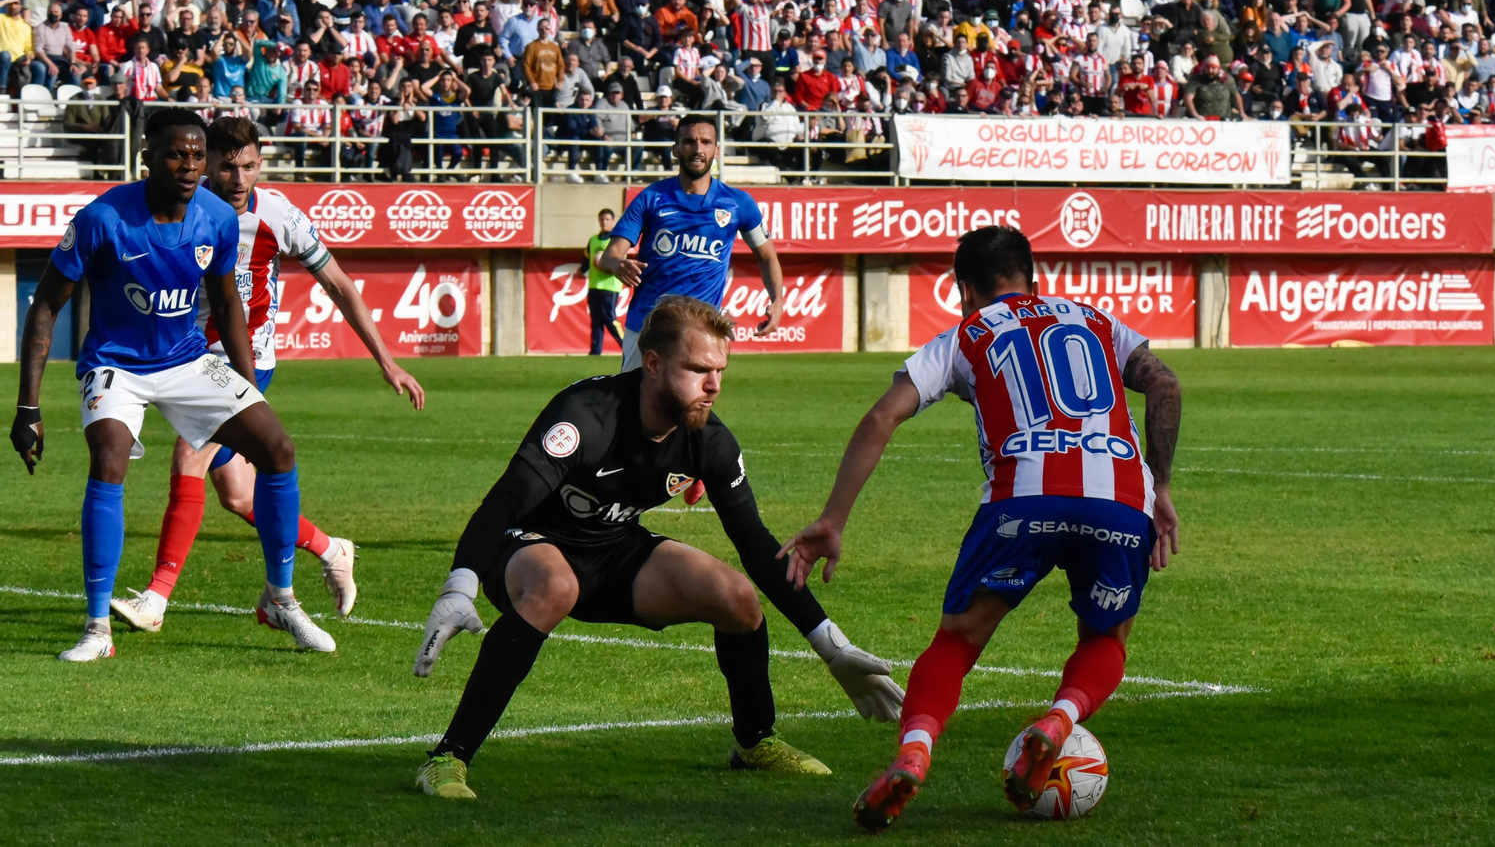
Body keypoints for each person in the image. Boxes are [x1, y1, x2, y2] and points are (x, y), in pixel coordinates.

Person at [410, 296, 905, 798]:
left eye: (720, 370)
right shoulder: (585, 415)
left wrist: (831, 646)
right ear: (653, 364)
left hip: (611, 548)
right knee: (556, 584)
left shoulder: (709, 440)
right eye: (697, 369)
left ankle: (755, 741)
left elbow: (756, 545)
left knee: (736, 597)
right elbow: (504, 503)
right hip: (526, 544)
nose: (713, 385)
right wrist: (460, 586)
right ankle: (448, 757)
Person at [780, 226, 1184, 831]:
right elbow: (1165, 384)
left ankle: (915, 750)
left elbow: (881, 418)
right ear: (1033, 279)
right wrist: (1160, 486)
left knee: (957, 642)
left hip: (1022, 502)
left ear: (963, 289)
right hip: (1119, 499)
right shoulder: (1096, 320)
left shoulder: (964, 335)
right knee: (1105, 638)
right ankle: (1059, 721)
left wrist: (832, 520)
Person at [10, 109, 334, 661]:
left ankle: (282, 598)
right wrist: (27, 406)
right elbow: (44, 306)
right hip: (116, 364)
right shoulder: (102, 218)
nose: (188, 166)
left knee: (278, 449)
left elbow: (229, 303)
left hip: (187, 360)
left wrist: (248, 388)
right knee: (109, 457)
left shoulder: (215, 217)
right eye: (175, 154)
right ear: (148, 158)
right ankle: (96, 630)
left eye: (196, 155)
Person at [107, 116, 426, 635]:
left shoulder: (279, 214)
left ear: (262, 164)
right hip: (184, 358)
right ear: (206, 163)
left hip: (243, 360)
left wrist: (387, 361)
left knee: (189, 456)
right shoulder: (181, 208)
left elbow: (340, 285)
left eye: (250, 167)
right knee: (237, 494)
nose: (239, 179)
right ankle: (331, 548)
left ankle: (156, 598)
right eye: (228, 167)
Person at [596, 114, 785, 505]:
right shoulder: (651, 199)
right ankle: (666, 471)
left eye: (704, 141)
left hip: (701, 330)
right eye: (688, 141)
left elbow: (766, 255)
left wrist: (777, 299)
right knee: (633, 407)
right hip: (648, 326)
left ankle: (693, 466)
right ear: (675, 149)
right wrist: (619, 264)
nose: (696, 148)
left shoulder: (737, 204)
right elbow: (608, 255)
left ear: (716, 149)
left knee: (696, 401)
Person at [583, 208, 626, 354]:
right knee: (596, 320)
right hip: (594, 285)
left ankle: (625, 345)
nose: (604, 222)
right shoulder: (593, 240)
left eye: (607, 219)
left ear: (612, 221)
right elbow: (587, 259)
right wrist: (581, 270)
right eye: (602, 219)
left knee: (610, 318)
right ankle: (595, 351)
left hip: (610, 285)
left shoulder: (616, 240)